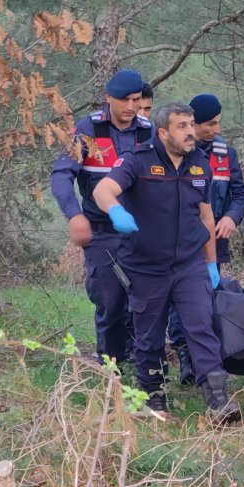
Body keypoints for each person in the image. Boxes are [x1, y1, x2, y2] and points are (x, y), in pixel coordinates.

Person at [91, 102, 240, 424]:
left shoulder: (200, 164)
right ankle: (153, 398)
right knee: (149, 335)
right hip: (145, 266)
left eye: (191, 124)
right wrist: (115, 210)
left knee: (201, 326)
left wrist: (212, 264)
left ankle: (217, 401)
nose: (190, 132)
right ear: (162, 133)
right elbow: (103, 189)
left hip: (190, 264)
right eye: (182, 126)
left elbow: (206, 216)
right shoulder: (137, 160)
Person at [49, 69, 152, 365]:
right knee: (109, 299)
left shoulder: (149, 131)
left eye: (136, 100)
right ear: (109, 98)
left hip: (142, 232)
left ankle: (145, 364)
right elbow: (61, 175)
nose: (131, 107)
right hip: (102, 232)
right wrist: (74, 216)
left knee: (145, 300)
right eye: (124, 100)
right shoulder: (88, 130)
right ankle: (111, 365)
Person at [164, 93, 244, 386]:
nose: (216, 129)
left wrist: (232, 218)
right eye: (210, 124)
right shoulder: (173, 151)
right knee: (178, 301)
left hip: (214, 244)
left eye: (218, 123)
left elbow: (240, 192)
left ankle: (207, 359)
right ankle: (184, 357)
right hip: (178, 244)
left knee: (204, 300)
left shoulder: (226, 153)